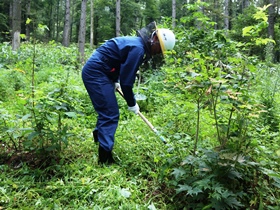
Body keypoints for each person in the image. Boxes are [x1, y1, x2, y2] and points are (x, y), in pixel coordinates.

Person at [81, 22, 175, 164]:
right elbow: (127, 83)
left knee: (107, 109)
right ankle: (105, 158)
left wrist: (114, 79)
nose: (158, 53)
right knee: (110, 113)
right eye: (159, 49)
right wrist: (132, 103)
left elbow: (118, 61)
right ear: (155, 40)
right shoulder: (138, 49)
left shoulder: (137, 45)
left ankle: (99, 139)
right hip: (96, 73)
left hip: (104, 72)